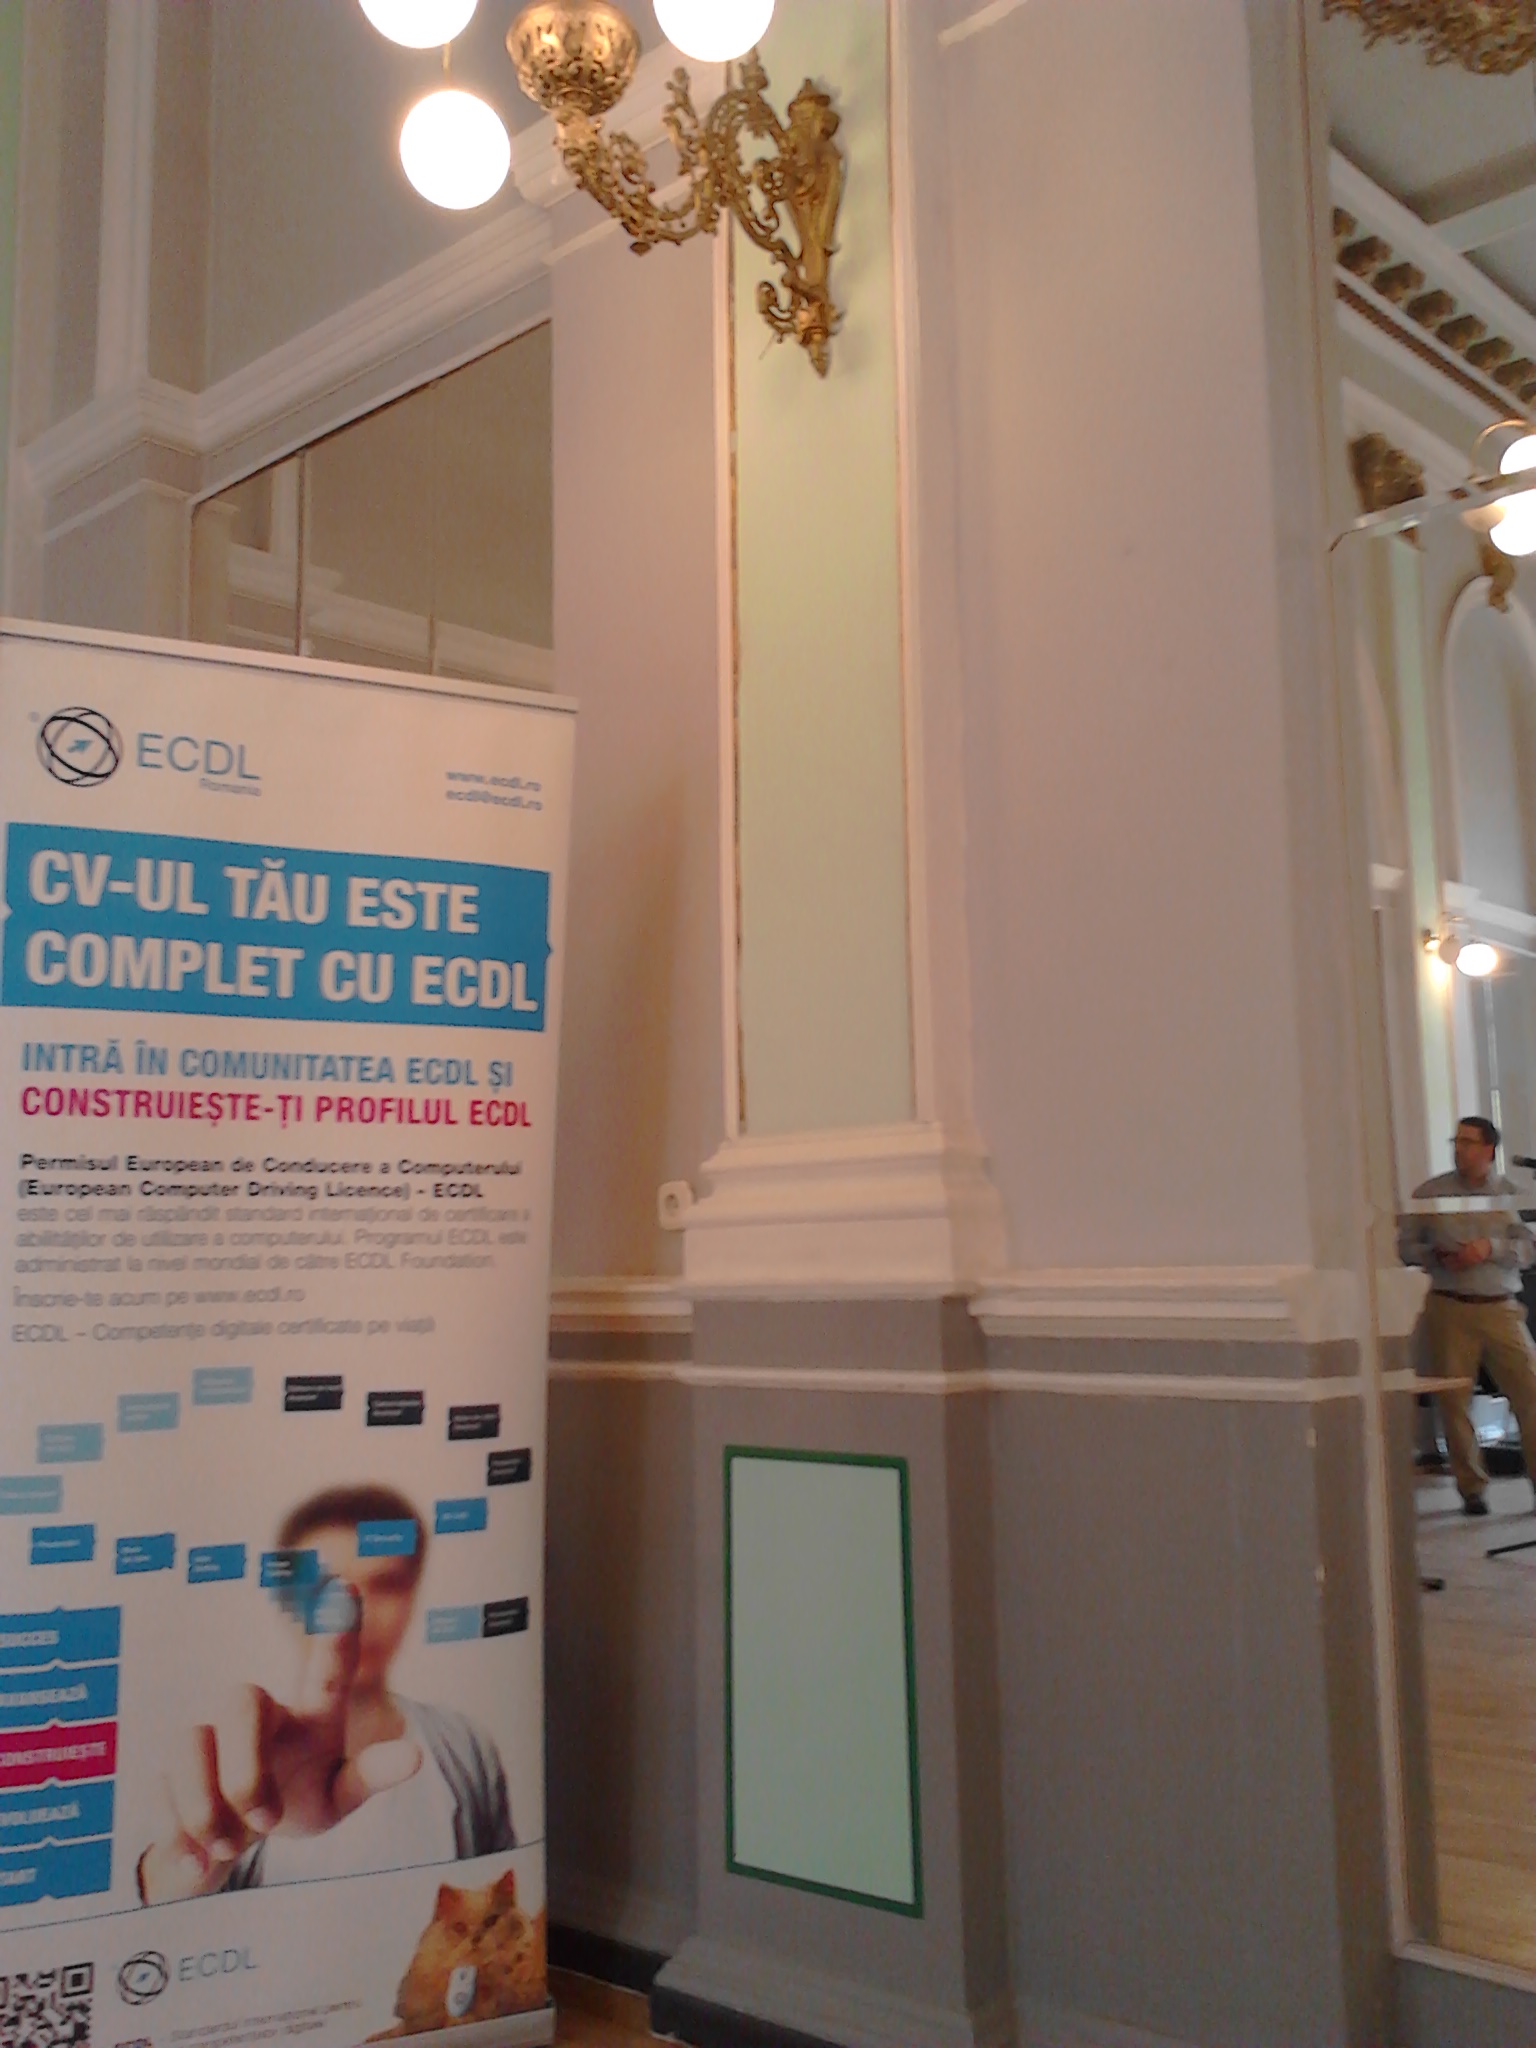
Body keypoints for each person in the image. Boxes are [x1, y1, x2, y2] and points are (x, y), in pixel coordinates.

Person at [136, 1483, 513, 1903]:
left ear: (413, 1595)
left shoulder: (467, 1745)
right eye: (324, 1591)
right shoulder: (241, 1762)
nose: (354, 1612)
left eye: (385, 1585)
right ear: (285, 1603)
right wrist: (180, 1871)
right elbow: (165, 1901)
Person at [1399, 1117, 1536, 1518]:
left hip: (1501, 1308)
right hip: (1449, 1307)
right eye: (1456, 1141)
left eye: (1468, 1142)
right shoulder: (1430, 1194)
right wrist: (1437, 1256)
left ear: (1489, 1149)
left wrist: (1491, 1248)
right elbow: (1405, 1247)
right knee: (1454, 1402)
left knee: (1530, 1392)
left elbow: (1529, 1249)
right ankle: (1472, 1488)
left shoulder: (1511, 1195)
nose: (1459, 1149)